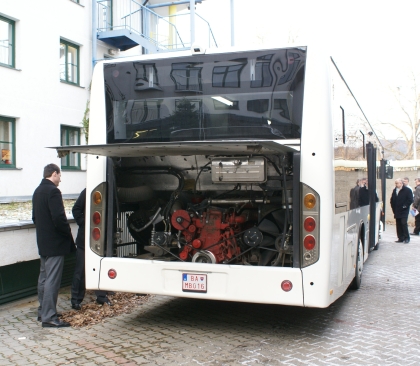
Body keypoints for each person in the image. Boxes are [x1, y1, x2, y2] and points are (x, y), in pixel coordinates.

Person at [32, 163, 74, 328]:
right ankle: (49, 317)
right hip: (55, 242)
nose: (60, 180)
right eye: (60, 176)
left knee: (43, 277)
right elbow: (58, 217)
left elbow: (35, 217)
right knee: (52, 280)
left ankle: (43, 311)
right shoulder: (53, 191)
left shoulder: (37, 191)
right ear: (54, 173)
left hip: (43, 241)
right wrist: (66, 232)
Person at [71, 188, 113, 310]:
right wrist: (86, 224)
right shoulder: (88, 191)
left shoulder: (103, 191)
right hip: (86, 239)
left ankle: (101, 297)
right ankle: (76, 300)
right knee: (80, 270)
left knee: (100, 267)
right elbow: (76, 209)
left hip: (99, 238)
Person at [390, 178, 413, 243]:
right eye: (396, 183)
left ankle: (406, 237)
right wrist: (393, 207)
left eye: (397, 183)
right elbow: (392, 199)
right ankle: (400, 237)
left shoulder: (407, 190)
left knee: (403, 223)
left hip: (404, 210)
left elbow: (410, 199)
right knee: (398, 224)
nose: (396, 184)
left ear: (401, 183)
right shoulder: (395, 190)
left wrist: (405, 206)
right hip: (397, 210)